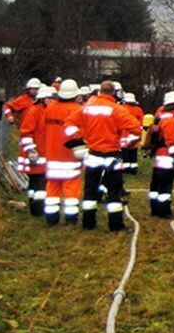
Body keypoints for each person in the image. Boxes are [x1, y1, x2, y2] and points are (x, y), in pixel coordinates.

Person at [67, 80, 140, 231]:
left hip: (92, 154)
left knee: (90, 190)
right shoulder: (116, 109)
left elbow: (69, 123)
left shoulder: (87, 108)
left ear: (100, 91)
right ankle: (115, 225)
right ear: (113, 93)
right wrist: (128, 143)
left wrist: (80, 138)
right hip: (111, 155)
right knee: (114, 192)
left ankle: (88, 223)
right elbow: (136, 129)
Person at [40, 80, 86, 226]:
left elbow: (42, 130)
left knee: (52, 187)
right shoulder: (78, 110)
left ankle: (51, 219)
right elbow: (81, 134)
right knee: (71, 188)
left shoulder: (49, 109)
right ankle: (71, 219)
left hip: (52, 156)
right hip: (70, 156)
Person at [18, 84, 55, 216]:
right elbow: (26, 133)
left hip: (42, 154)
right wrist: (31, 151)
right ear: (43, 99)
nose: (52, 101)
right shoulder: (34, 111)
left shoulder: (44, 111)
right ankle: (37, 209)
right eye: (50, 99)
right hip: (36, 155)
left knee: (37, 184)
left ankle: (36, 207)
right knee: (38, 184)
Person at [147, 91, 174, 217]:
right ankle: (164, 211)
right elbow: (172, 142)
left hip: (158, 155)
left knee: (156, 185)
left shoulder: (160, 115)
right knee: (165, 187)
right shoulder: (172, 120)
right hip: (166, 157)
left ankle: (154, 208)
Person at [120, 92, 145, 178]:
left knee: (125, 153)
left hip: (123, 135)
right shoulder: (138, 110)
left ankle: (125, 170)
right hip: (134, 135)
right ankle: (133, 170)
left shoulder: (121, 108)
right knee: (133, 153)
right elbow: (142, 123)